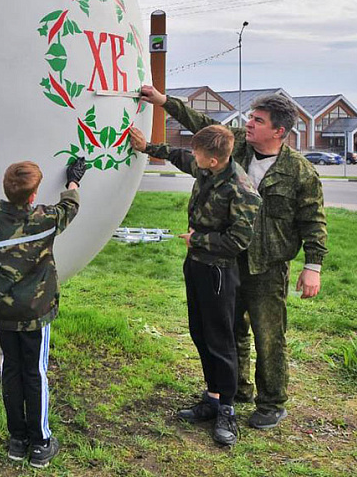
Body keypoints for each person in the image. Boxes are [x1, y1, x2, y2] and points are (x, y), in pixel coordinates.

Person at [138, 86, 327, 430]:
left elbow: (312, 219)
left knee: (269, 334)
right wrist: (164, 102)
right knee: (229, 329)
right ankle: (233, 391)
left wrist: (312, 266)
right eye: (251, 118)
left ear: (279, 131)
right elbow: (202, 124)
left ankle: (271, 402)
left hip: (266, 265)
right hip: (227, 261)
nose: (249, 124)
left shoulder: (299, 171)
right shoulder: (236, 145)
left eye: (258, 120)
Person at [129, 124, 261, 446]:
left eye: (198, 153)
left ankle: (227, 409)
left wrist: (198, 239)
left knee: (220, 337)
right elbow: (177, 156)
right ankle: (212, 397)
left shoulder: (241, 190)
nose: (193, 157)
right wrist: (147, 147)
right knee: (199, 331)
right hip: (197, 265)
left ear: (213, 160)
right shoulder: (206, 168)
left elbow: (239, 240)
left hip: (218, 270)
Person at [0, 157, 86, 468]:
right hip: (36, 313)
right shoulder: (45, 220)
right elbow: (70, 208)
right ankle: (41, 443)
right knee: (35, 373)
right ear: (34, 195)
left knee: (11, 371)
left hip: (4, 312)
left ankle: (17, 440)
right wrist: (73, 181)